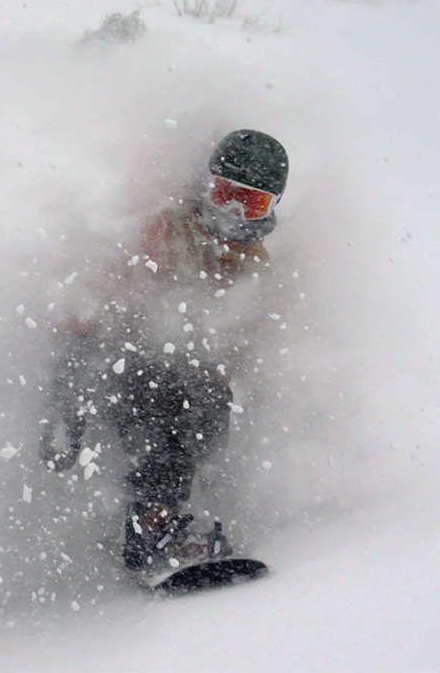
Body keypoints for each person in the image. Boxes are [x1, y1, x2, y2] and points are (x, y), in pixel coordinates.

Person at [38, 129, 288, 575]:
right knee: (171, 395)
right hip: (122, 356)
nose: (231, 211)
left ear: (269, 209)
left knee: (207, 413)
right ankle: (153, 527)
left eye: (249, 203)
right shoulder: (164, 229)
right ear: (205, 186)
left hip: (189, 368)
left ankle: (170, 513)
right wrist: (66, 393)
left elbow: (241, 342)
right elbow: (93, 301)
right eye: (224, 193)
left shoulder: (253, 262)